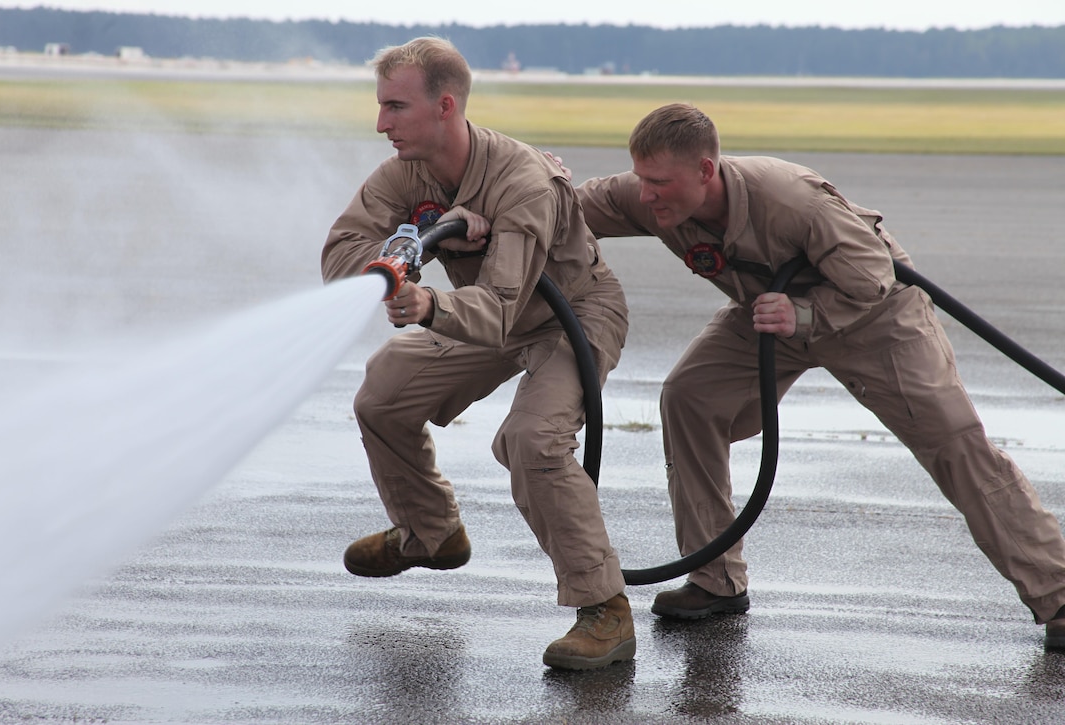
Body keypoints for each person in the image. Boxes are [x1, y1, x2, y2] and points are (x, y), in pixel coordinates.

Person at [573, 102, 1065, 648]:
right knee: (689, 397)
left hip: (874, 319)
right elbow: (555, 206)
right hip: (768, 316)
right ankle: (715, 581)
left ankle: (1058, 592)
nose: (645, 195)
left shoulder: (792, 200)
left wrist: (803, 315)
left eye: (659, 182)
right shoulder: (650, 195)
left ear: (706, 171)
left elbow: (874, 278)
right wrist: (477, 208)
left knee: (956, 446)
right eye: (641, 179)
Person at [320, 37, 634, 670]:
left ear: (444, 106)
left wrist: (430, 304)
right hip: (486, 310)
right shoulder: (404, 172)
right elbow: (341, 256)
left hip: (571, 313)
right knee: (383, 394)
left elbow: (500, 308)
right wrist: (401, 256)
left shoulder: (523, 183)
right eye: (381, 106)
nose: (381, 123)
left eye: (395, 107)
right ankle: (431, 535)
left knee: (532, 439)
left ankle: (605, 611)